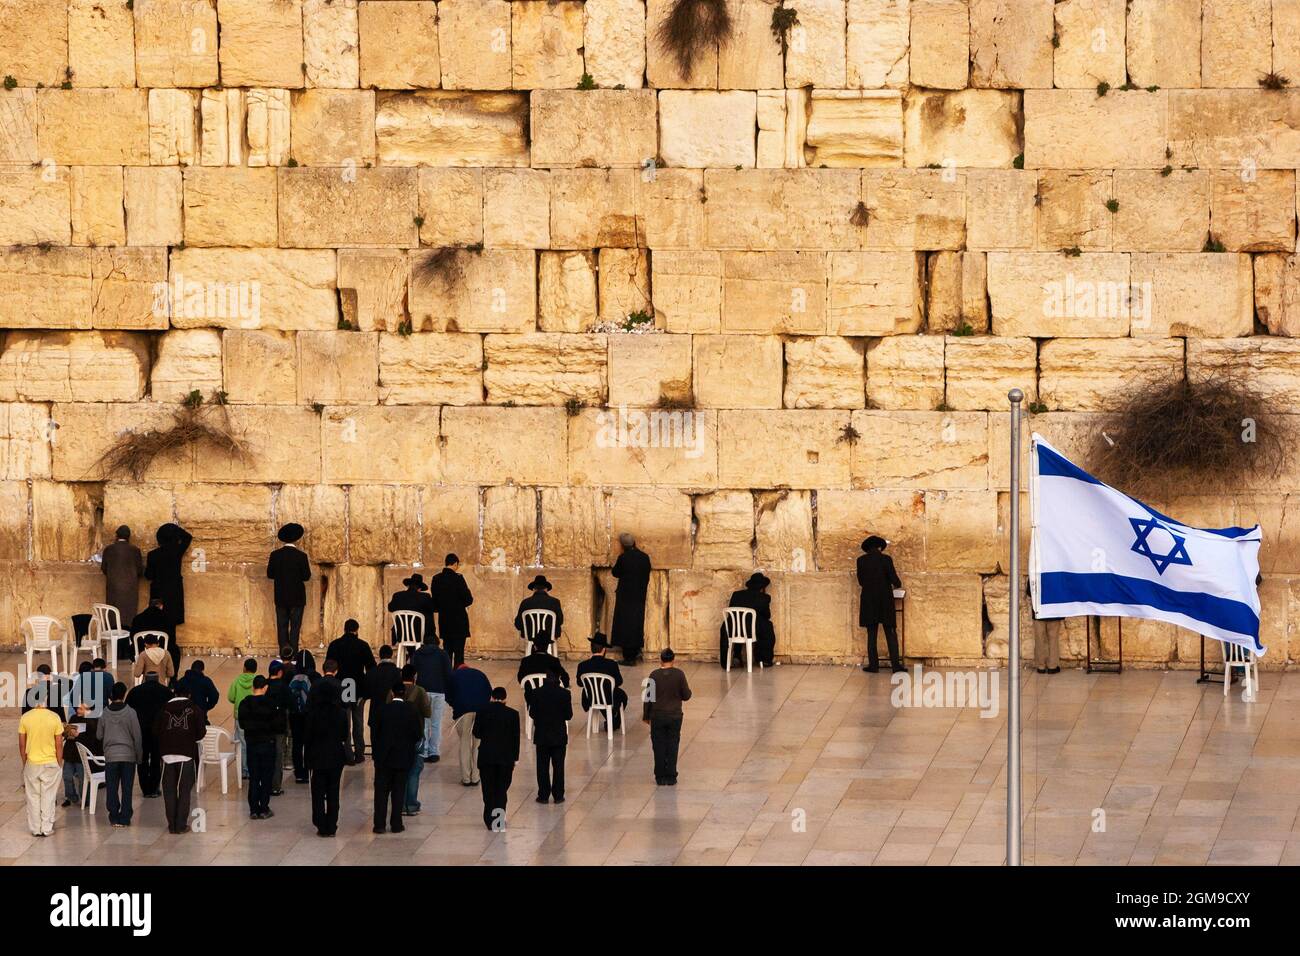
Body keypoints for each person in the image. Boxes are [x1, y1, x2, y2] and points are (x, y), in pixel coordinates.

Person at [154, 685, 206, 834]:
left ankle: (171, 825)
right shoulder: (195, 709)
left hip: (166, 755)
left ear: (174, 693)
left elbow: (155, 730)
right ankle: (181, 825)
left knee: (169, 791)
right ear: (189, 694)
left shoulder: (163, 709)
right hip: (186, 754)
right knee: (184, 791)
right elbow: (201, 733)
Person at [372, 680, 422, 834]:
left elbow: (375, 733)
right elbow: (417, 734)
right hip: (403, 757)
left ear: (392, 693)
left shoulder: (382, 710)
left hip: (384, 758)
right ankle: (396, 824)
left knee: (381, 792)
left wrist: (377, 753)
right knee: (399, 791)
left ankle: (379, 825)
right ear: (404, 694)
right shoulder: (411, 711)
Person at [325, 619, 376, 763]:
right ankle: (359, 754)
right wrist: (367, 691)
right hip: (358, 688)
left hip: (341, 688)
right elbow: (371, 668)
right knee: (358, 722)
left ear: (344, 629)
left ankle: (347, 755)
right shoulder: (363, 645)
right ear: (356, 630)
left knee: (344, 723)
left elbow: (329, 666)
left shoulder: (334, 645)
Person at [303, 677, 348, 837]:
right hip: (336, 756)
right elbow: (344, 735)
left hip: (317, 756)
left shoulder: (313, 714)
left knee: (318, 792)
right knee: (333, 792)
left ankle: (320, 823)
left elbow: (307, 736)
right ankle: (332, 824)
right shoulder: (341, 713)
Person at [145, 523, 192, 669]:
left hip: (158, 595)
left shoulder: (152, 555)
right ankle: (170, 658)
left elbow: (149, 575)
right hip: (173, 595)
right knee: (171, 629)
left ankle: (156, 654)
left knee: (157, 624)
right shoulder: (176, 551)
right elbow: (187, 537)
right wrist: (174, 529)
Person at [473, 686, 520, 830]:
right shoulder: (513, 714)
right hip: (505, 759)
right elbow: (515, 738)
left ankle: (489, 819)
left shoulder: (482, 712)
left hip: (486, 757)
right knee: (501, 791)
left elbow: (477, 733)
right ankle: (498, 822)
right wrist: (515, 758)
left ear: (492, 698)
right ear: (505, 699)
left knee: (488, 790)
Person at [19, 687, 63, 837]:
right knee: (48, 796)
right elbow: (58, 744)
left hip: (32, 762)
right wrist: (59, 762)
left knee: (32, 796)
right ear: (46, 698)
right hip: (51, 762)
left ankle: (35, 828)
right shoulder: (54, 717)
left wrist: (24, 762)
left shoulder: (25, 718)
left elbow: (22, 744)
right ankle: (46, 827)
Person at [97, 682, 142, 828]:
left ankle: (114, 816)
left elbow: (99, 735)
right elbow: (137, 736)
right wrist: (139, 755)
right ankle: (125, 818)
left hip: (111, 756)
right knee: (127, 788)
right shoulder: (131, 712)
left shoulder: (104, 712)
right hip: (128, 756)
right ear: (124, 694)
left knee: (111, 787)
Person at [644, 648, 692, 786]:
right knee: (672, 744)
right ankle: (671, 776)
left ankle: (660, 776)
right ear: (673, 660)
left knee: (658, 745)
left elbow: (648, 698)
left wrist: (646, 716)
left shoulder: (653, 675)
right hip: (674, 716)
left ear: (661, 659)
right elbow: (686, 696)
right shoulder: (679, 674)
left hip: (657, 716)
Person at [857, 536, 903, 673]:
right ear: (879, 547)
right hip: (885, 601)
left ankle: (874, 665)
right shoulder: (886, 559)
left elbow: (861, 581)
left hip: (868, 601)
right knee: (890, 632)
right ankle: (896, 666)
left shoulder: (861, 561)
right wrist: (897, 584)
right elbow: (895, 580)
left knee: (872, 634)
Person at [524, 674, 571, 804]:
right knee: (559, 766)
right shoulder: (565, 694)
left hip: (542, 735)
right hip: (559, 736)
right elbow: (569, 715)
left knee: (542, 766)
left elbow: (532, 713)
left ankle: (543, 795)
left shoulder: (536, 693)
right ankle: (558, 795)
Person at [266, 523, 311, 654]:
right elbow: (306, 576)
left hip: (280, 597)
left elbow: (270, 574)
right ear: (296, 538)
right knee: (295, 627)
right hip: (297, 598)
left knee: (282, 626)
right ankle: (294, 654)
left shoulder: (275, 555)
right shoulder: (301, 556)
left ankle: (284, 653)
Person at [126, 671, 171, 798]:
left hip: (140, 731)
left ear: (144, 679)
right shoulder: (165, 691)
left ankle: (145, 788)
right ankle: (154, 788)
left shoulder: (135, 692)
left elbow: (127, 710)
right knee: (156, 759)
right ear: (157, 679)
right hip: (159, 732)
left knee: (142, 759)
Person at [239, 676, 278, 819]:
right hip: (267, 744)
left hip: (252, 744)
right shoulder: (270, 703)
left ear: (252, 687)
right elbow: (277, 724)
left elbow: (242, 724)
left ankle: (253, 809)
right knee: (266, 776)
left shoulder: (245, 703)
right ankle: (264, 808)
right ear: (265, 687)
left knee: (254, 777)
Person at [447, 661, 492, 787]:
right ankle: (476, 777)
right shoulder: (480, 674)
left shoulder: (453, 676)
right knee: (477, 743)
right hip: (481, 712)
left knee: (464, 742)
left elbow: (448, 696)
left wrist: (455, 705)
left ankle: (466, 778)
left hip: (462, 712)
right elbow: (489, 692)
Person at [610, 532, 652, 666]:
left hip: (625, 597)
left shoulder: (623, 558)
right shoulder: (645, 557)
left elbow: (615, 572)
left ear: (623, 545)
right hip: (639, 596)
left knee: (625, 625)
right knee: (636, 623)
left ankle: (628, 657)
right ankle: (635, 651)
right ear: (635, 543)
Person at [721, 572, 777, 669]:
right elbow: (767, 615)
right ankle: (764, 659)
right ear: (762, 587)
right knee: (767, 628)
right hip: (751, 631)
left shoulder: (736, 595)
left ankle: (736, 656)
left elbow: (731, 610)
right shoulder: (764, 597)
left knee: (736, 626)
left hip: (733, 630)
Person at [412, 634, 452, 763]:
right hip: (438, 691)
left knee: (424, 723)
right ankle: (434, 752)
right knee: (436, 723)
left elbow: (413, 671)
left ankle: (423, 751)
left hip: (422, 691)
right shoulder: (443, 654)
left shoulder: (418, 653)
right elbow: (448, 673)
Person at [576, 634, 627, 731]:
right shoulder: (611, 664)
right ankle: (614, 721)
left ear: (591, 649)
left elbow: (579, 683)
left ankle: (611, 720)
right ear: (604, 650)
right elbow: (619, 682)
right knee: (622, 696)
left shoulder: (582, 665)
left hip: (590, 698)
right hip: (609, 699)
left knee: (600, 694)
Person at [429, 553, 474, 666]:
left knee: (447, 651)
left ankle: (447, 678)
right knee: (459, 654)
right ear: (455, 564)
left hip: (444, 621)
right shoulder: (458, 578)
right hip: (459, 621)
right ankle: (458, 679)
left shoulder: (436, 579)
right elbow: (468, 599)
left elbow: (435, 603)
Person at [400, 665, 432, 815]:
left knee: (400, 770)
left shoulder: (394, 690)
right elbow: (427, 712)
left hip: (398, 736)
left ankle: (399, 803)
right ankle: (411, 804)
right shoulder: (419, 690)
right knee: (414, 770)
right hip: (416, 734)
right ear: (414, 676)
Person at [101, 524, 144, 630]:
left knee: (113, 616)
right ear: (128, 537)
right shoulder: (135, 550)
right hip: (130, 590)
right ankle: (127, 640)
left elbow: (104, 568)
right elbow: (140, 570)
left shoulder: (108, 549)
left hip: (113, 589)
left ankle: (114, 641)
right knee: (128, 617)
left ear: (116, 535)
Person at [60, 701, 99, 808]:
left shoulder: (93, 722)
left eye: (81, 709)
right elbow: (68, 734)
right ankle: (71, 796)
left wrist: (78, 735)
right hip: (70, 753)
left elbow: (92, 740)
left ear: (89, 711)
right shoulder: (73, 718)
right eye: (78, 708)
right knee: (67, 776)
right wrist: (66, 731)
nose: (78, 710)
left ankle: (85, 800)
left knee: (83, 779)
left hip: (82, 756)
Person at [513, 575, 563, 652]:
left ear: (534, 589)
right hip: (549, 636)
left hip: (531, 636)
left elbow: (518, 624)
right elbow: (560, 621)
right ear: (546, 589)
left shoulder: (525, 602)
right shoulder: (555, 602)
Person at [226, 658, 257, 780]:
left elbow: (231, 697)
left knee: (241, 743)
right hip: (254, 716)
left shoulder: (237, 680)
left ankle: (243, 770)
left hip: (240, 716)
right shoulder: (257, 680)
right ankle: (251, 768)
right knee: (252, 742)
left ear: (244, 668)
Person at [265, 661, 291, 796]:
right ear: (280, 672)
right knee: (278, 756)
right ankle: (275, 786)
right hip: (279, 726)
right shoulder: (284, 687)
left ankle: (265, 784)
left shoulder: (264, 685)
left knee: (265, 755)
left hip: (265, 726)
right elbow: (290, 703)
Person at [388, 572, 437, 644]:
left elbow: (390, 608)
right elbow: (433, 608)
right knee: (428, 614)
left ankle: (411, 652)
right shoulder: (425, 596)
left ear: (408, 586)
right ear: (419, 589)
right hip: (420, 635)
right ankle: (431, 640)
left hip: (402, 634)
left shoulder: (397, 596)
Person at [287, 656, 313, 784]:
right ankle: (308, 771)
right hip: (307, 716)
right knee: (308, 744)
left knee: (297, 744)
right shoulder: (312, 677)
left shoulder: (292, 678)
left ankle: (298, 772)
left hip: (294, 715)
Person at [1030, 579, 1061, 674]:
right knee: (1053, 639)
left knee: (1039, 639)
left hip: (1039, 611)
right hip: (1054, 610)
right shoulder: (1056, 572)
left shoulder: (1034, 570)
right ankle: (1052, 666)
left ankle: (1041, 666)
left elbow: (1029, 591)